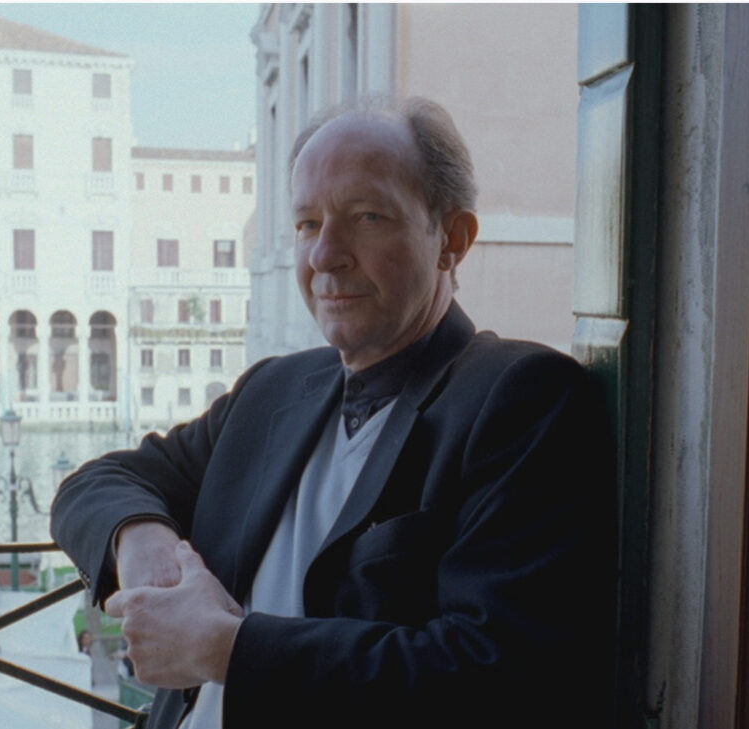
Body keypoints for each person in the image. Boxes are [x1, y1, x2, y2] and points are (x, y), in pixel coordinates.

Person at [51, 96, 617, 729]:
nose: (325, 254)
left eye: (366, 217)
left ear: (452, 240)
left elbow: (494, 671)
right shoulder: (271, 391)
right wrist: (142, 538)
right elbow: (95, 484)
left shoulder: (522, 398)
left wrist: (226, 650)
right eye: (307, 223)